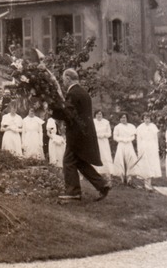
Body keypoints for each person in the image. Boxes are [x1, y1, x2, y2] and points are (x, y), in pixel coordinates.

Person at [46, 67, 111, 203]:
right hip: (84, 133)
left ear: (68, 79)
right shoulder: (83, 93)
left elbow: (69, 114)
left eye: (64, 80)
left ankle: (73, 192)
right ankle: (102, 184)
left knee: (68, 161)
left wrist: (51, 111)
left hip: (76, 134)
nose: (63, 83)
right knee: (79, 161)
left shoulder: (73, 94)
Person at [135, 113, 161, 188]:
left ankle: (149, 183)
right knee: (144, 164)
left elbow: (156, 139)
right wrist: (139, 149)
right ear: (143, 119)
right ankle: (145, 183)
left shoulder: (153, 126)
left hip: (152, 147)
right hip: (143, 147)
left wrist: (157, 148)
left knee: (151, 164)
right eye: (145, 118)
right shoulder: (140, 127)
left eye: (148, 118)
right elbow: (138, 140)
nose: (147, 120)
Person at [112, 113, 138, 178]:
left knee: (130, 158)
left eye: (124, 117)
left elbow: (133, 136)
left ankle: (129, 176)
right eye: (122, 118)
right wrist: (122, 140)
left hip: (129, 144)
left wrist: (128, 139)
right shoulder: (117, 127)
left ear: (127, 118)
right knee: (120, 159)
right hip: (121, 144)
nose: (123, 119)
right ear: (120, 119)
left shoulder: (131, 126)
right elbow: (115, 137)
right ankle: (121, 176)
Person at [93, 109, 114, 175]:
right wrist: (97, 135)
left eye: (100, 114)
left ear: (102, 115)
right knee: (97, 154)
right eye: (97, 114)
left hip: (104, 141)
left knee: (105, 155)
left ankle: (106, 171)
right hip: (95, 141)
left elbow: (109, 133)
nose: (99, 115)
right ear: (95, 115)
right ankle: (95, 171)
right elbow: (90, 132)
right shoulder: (92, 122)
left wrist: (104, 135)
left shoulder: (106, 122)